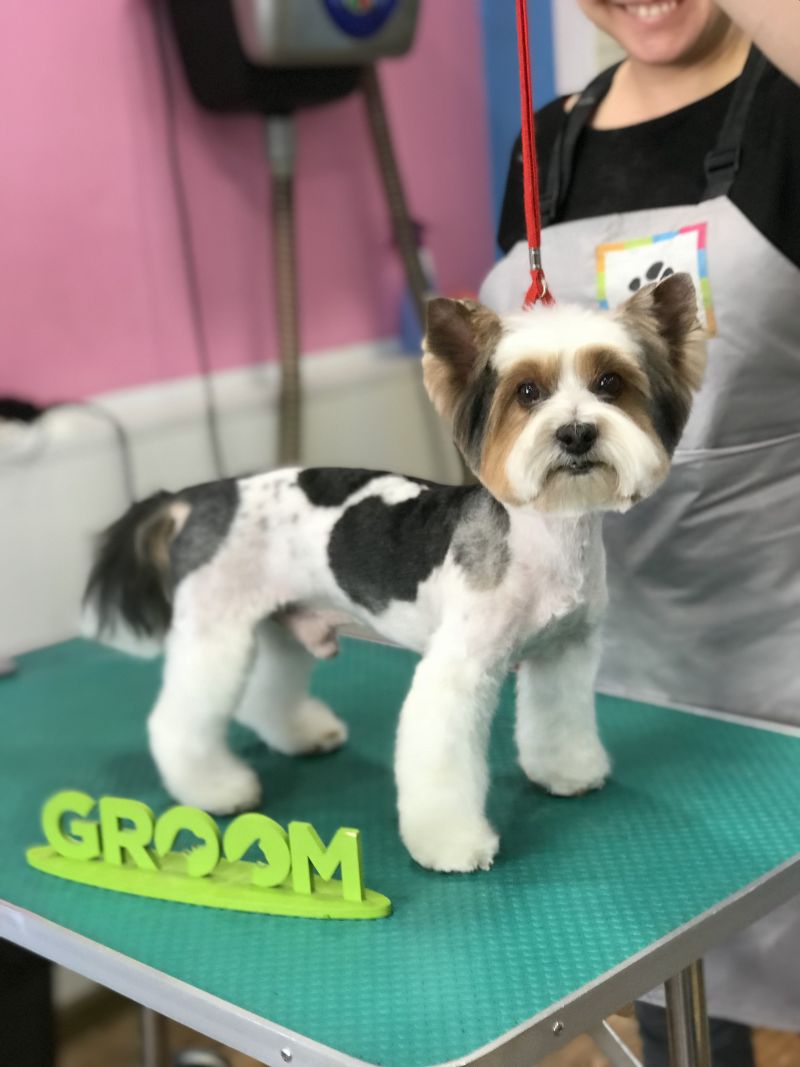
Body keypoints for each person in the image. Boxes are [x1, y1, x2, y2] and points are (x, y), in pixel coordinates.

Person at [480, 1, 800, 1063]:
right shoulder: (547, 140)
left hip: (780, 652)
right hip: (616, 667)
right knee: (679, 1002)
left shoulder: (786, 96)